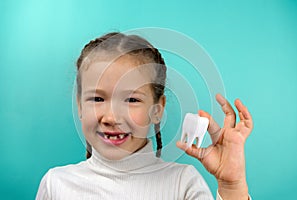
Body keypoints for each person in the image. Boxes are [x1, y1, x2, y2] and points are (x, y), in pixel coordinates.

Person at [36, 32, 253, 200]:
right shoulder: (56, 185)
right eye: (97, 99)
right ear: (79, 105)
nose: (111, 117)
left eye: (131, 100)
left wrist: (232, 186)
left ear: (156, 110)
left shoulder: (182, 184)